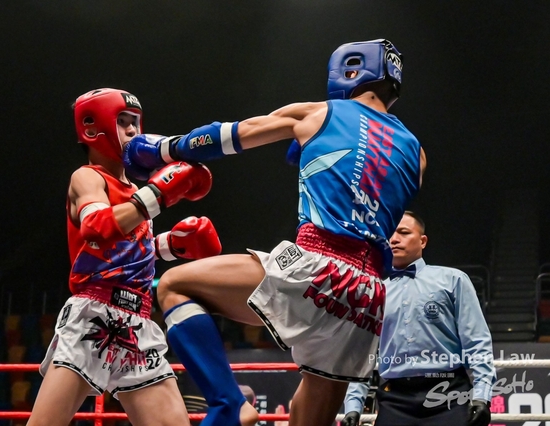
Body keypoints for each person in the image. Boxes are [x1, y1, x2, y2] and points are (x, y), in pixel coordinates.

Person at [124, 39, 426, 426]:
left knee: (174, 285)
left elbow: (229, 136)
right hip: (367, 298)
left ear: (351, 70)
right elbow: (372, 180)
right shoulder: (417, 153)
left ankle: (230, 404)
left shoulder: (318, 113)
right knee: (307, 417)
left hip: (318, 264)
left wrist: (164, 149)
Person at [27, 88, 223, 426]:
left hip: (138, 322)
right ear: (93, 129)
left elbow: (127, 249)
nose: (133, 130)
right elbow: (97, 227)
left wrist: (171, 245)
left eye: (135, 122)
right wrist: (159, 194)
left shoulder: (134, 193)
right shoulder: (87, 177)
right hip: (95, 315)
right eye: (123, 122)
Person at [341, 211, 496, 426]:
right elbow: (361, 355)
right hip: (395, 398)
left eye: (404, 232)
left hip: (449, 393)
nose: (394, 239)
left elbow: (477, 341)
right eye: (389, 234)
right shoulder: (376, 292)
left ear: (422, 241)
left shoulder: (453, 280)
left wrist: (482, 396)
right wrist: (353, 406)